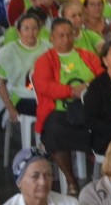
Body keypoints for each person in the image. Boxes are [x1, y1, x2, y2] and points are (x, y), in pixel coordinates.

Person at [32, 17, 104, 195]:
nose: (66, 39)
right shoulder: (45, 60)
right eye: (61, 36)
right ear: (52, 38)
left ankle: (104, 174)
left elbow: (102, 78)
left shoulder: (87, 55)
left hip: (89, 107)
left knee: (108, 125)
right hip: (58, 110)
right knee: (54, 130)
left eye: (69, 35)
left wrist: (86, 87)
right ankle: (71, 180)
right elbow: (44, 86)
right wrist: (71, 91)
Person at [0, 13, 50, 127]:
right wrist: (10, 109)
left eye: (34, 28)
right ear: (18, 31)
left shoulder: (48, 47)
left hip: (48, 92)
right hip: (22, 96)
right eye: (26, 29)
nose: (31, 33)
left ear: (39, 30)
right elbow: (0, 84)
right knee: (51, 111)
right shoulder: (8, 52)